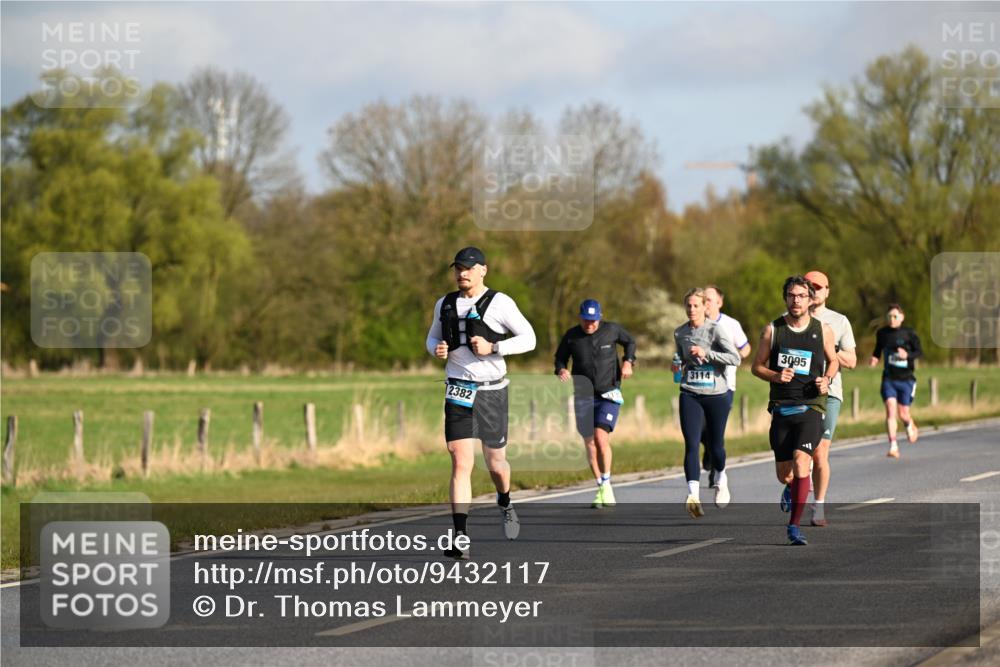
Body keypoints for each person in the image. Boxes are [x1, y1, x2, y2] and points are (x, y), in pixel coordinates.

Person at [426, 246, 537, 559]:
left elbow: (529, 339)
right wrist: (437, 349)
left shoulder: (500, 303)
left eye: (469, 268)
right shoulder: (445, 303)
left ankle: (505, 500)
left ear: (483, 270)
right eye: (458, 268)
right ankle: (460, 536)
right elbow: (431, 338)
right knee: (460, 461)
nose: (463, 273)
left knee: (496, 463)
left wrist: (495, 347)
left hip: (492, 391)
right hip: (458, 388)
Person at [751, 276, 838, 546]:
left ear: (810, 299)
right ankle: (790, 488)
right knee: (784, 474)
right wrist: (775, 376)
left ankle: (794, 526)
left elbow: (833, 361)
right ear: (785, 298)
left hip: (811, 405)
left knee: (803, 462)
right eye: (791, 295)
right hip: (781, 408)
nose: (796, 300)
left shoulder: (822, 330)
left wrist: (827, 379)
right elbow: (756, 366)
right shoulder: (773, 330)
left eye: (801, 295)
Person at [554, 299, 637, 508]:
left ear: (600, 317)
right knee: (589, 443)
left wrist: (628, 361)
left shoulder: (612, 330)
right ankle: (601, 486)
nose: (589, 324)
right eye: (585, 320)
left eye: (593, 320)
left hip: (608, 393)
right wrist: (561, 369)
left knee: (601, 438)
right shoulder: (572, 336)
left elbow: (630, 342)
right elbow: (560, 358)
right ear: (580, 318)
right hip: (582, 396)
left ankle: (607, 484)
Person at [673, 288, 741, 518]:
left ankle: (721, 475)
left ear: (705, 307)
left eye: (696, 305)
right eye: (688, 306)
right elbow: (680, 359)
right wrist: (676, 366)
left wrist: (707, 353)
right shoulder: (680, 333)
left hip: (716, 395)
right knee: (691, 444)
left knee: (715, 447)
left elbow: (735, 358)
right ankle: (693, 495)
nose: (692, 310)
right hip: (690, 393)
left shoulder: (715, 330)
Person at [802, 270, 857, 527]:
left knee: (819, 451)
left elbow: (852, 361)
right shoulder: (791, 320)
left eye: (818, 287)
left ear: (827, 291)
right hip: (797, 394)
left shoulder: (839, 321)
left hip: (829, 394)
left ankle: (819, 506)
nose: (813, 291)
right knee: (796, 452)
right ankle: (796, 485)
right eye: (808, 286)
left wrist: (830, 348)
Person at [700, 285, 752, 488]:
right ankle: (709, 450)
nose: (706, 303)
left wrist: (732, 357)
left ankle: (716, 468)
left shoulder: (731, 324)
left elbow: (746, 348)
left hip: (724, 385)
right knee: (701, 430)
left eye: (709, 300)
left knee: (716, 428)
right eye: (703, 299)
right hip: (699, 384)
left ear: (719, 303)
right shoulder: (695, 324)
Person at [869, 303, 923, 459]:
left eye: (895, 316)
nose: (892, 319)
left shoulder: (909, 333)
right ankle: (893, 446)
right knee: (891, 410)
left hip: (906, 379)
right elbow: (878, 349)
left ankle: (908, 423)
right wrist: (875, 358)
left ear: (902, 317)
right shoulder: (882, 333)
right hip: (889, 379)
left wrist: (908, 355)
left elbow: (919, 351)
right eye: (889, 317)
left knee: (903, 413)